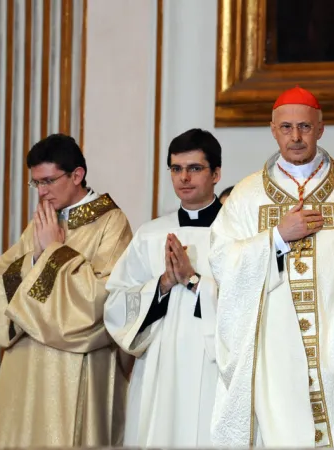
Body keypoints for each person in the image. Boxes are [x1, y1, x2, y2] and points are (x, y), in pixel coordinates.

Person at [208, 86, 334, 447]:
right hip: (274, 347)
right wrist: (277, 237)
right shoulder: (246, 195)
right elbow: (222, 260)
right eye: (286, 127)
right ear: (273, 130)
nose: (295, 136)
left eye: (304, 127)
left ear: (320, 129)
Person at [0, 134, 133, 447]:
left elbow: (101, 301)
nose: (41, 192)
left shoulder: (111, 222)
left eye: (48, 181)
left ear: (77, 175)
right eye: (36, 183)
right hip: (26, 363)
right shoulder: (44, 220)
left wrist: (53, 252)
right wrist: (35, 258)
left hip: (73, 366)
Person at [104, 128, 223, 446]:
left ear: (216, 174)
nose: (184, 177)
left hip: (214, 365)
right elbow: (117, 303)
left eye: (194, 168)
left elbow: (251, 302)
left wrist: (193, 280)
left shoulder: (237, 232)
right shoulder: (150, 234)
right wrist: (163, 284)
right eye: (176, 168)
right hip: (160, 365)